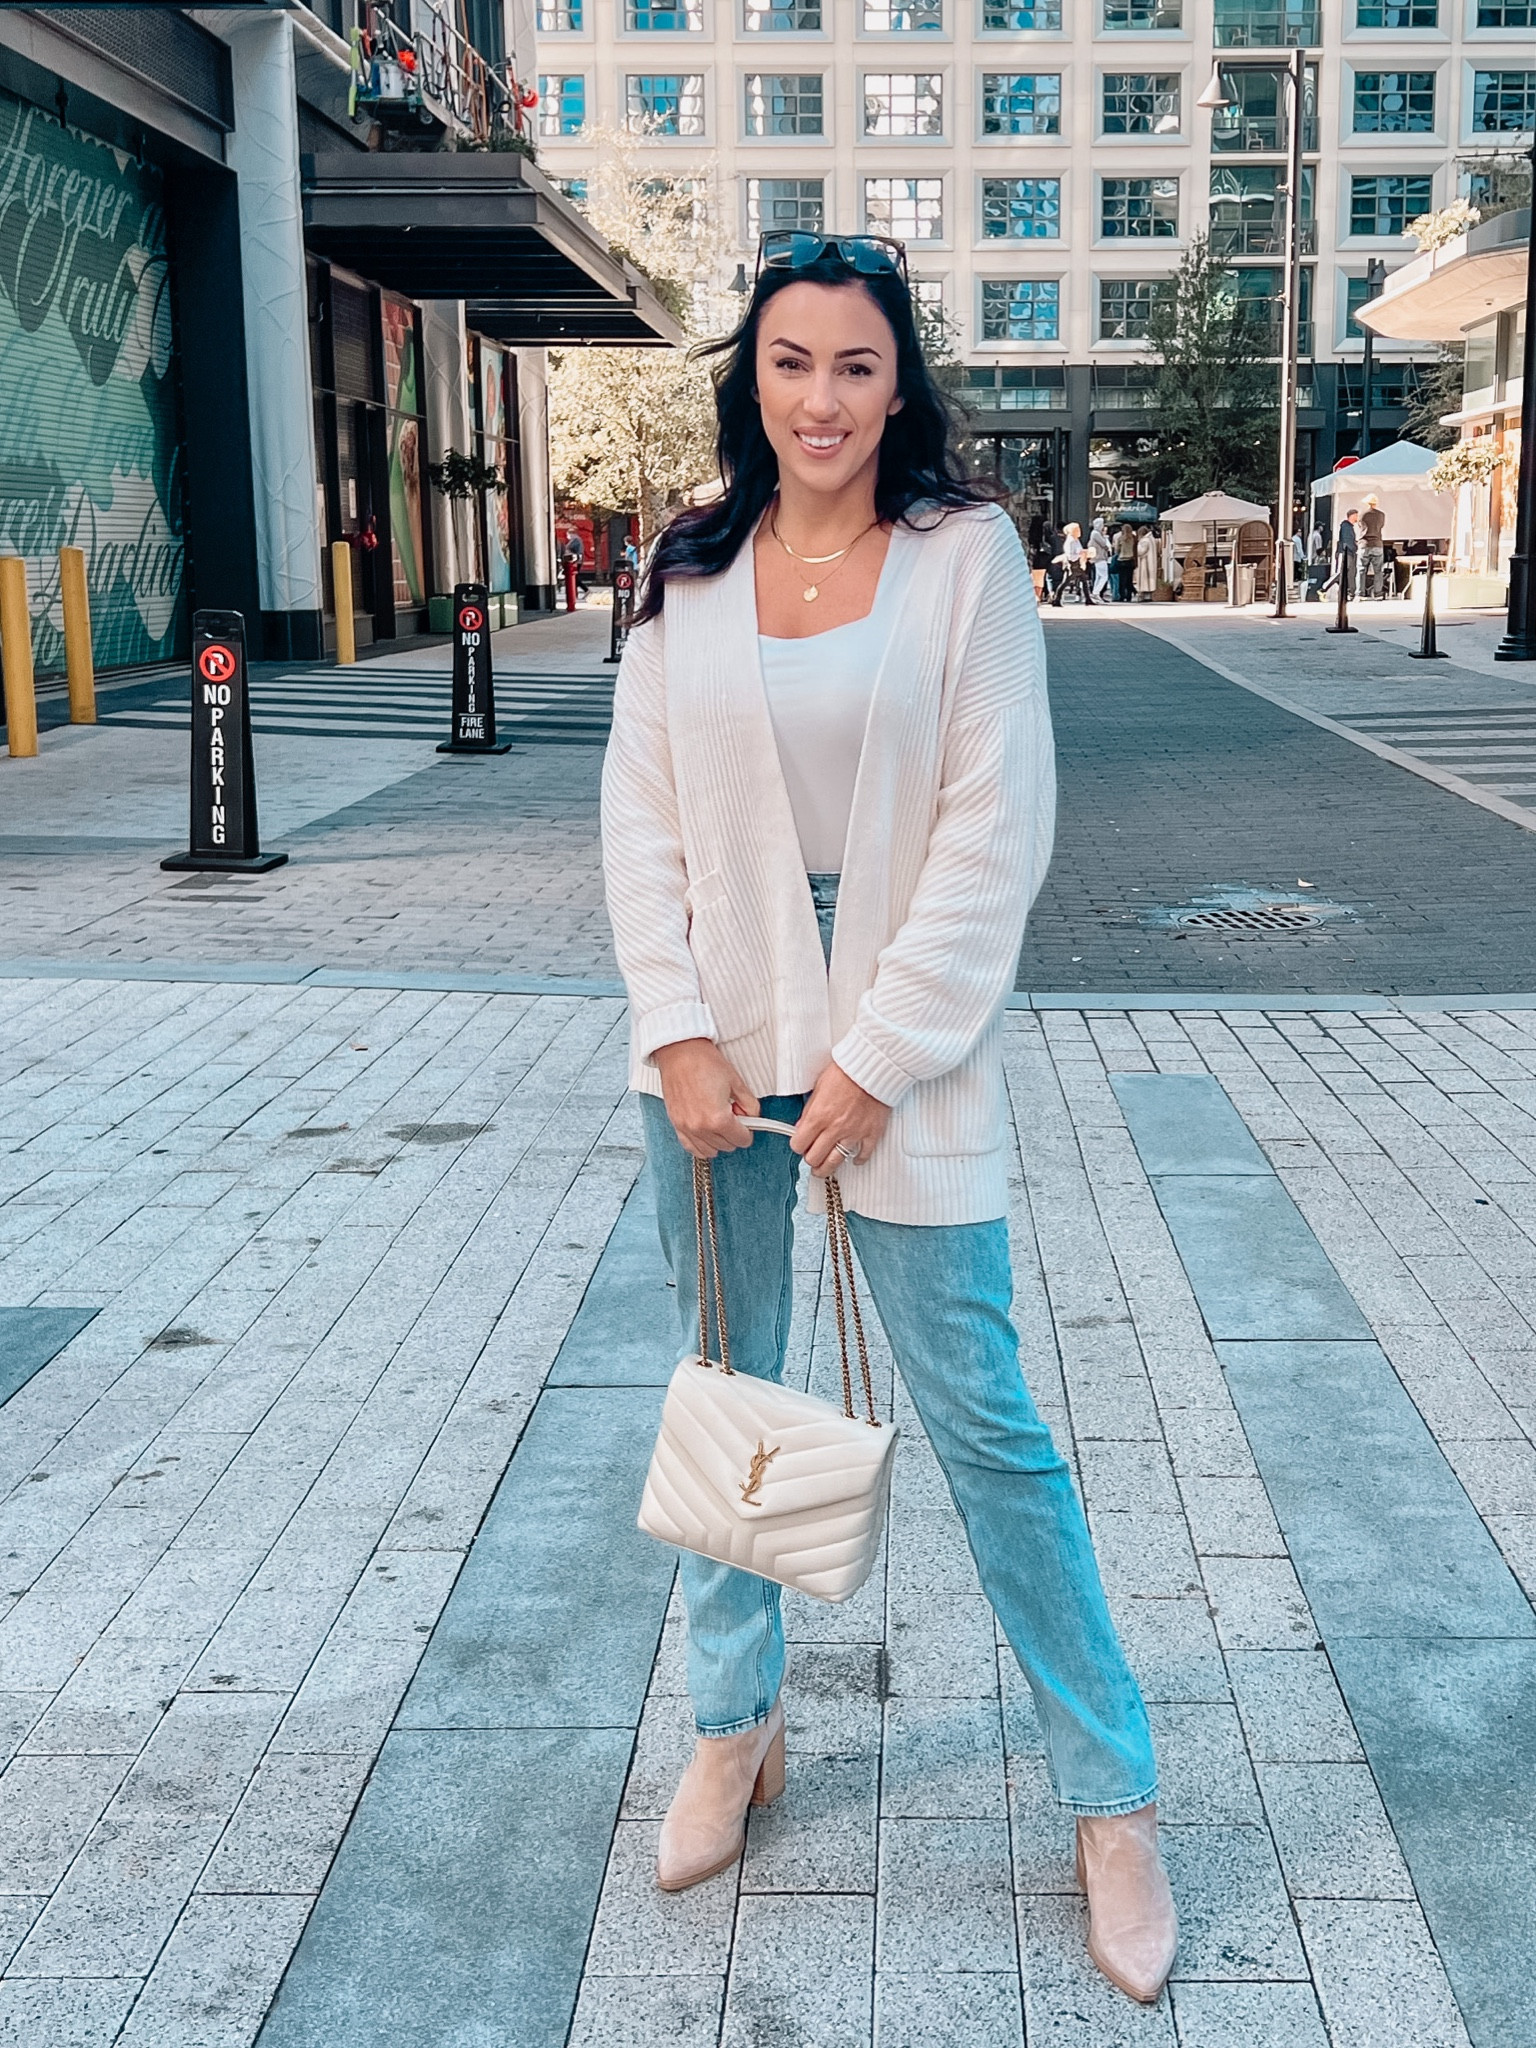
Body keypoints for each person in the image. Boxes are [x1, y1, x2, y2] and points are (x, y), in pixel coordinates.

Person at [601, 229, 1175, 2006]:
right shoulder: (689, 570)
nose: (823, 397)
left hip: (900, 1060)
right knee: (735, 1402)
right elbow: (638, 824)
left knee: (991, 1425)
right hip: (712, 1064)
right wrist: (680, 1028)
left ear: (899, 382)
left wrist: (879, 1054)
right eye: (791, 361)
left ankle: (1110, 1792)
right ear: (749, 378)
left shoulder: (964, 559)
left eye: (856, 365)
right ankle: (734, 1720)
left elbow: (998, 838)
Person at [1053, 521, 1095, 606]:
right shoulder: (1070, 541)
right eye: (1077, 529)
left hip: (1078, 563)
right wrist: (1080, 554)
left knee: (1084, 581)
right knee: (1065, 582)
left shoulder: (1076, 540)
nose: (1079, 531)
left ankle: (1088, 599)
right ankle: (1056, 599)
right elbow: (1070, 555)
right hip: (1072, 564)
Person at [1358, 495, 1387, 599]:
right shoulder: (1381, 515)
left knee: (1361, 570)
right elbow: (1381, 526)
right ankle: (1378, 593)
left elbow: (1360, 526)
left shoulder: (1361, 514)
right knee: (1378, 571)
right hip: (1377, 544)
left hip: (1364, 544)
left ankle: (1360, 593)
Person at [1325, 509, 1358, 595]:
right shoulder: (1346, 527)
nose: (1357, 518)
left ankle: (1350, 591)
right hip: (1345, 553)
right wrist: (1355, 548)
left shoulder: (1347, 527)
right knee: (1342, 573)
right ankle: (1324, 588)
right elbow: (1348, 541)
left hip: (1347, 552)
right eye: (1356, 515)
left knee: (1350, 573)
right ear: (1352, 516)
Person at [1087, 515, 1113, 601]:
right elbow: (1103, 544)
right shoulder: (1096, 533)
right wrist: (1105, 538)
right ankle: (1096, 592)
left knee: (1099, 576)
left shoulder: (1095, 533)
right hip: (1099, 557)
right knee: (1104, 576)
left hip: (1099, 557)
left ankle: (1095, 592)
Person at [1114, 521, 1139, 602]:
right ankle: (1129, 596)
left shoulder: (1120, 539)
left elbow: (1117, 550)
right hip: (1130, 560)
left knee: (1122, 580)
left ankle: (1122, 596)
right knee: (1129, 579)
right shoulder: (1134, 538)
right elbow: (1136, 549)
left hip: (1122, 560)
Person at [1134, 524, 1159, 600]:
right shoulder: (1152, 539)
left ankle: (1144, 595)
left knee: (1145, 579)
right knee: (1149, 579)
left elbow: (1141, 551)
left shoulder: (1145, 541)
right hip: (1150, 562)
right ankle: (1149, 596)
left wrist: (1137, 547)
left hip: (1145, 562)